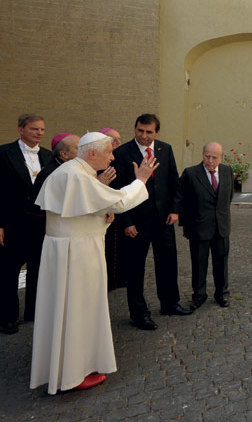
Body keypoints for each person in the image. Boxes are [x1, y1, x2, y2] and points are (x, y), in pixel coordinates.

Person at [31, 132, 157, 394]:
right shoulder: (76, 174)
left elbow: (82, 209)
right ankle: (72, 376)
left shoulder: (72, 171)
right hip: (76, 253)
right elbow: (120, 201)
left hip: (69, 249)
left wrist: (102, 215)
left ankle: (70, 367)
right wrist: (141, 180)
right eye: (109, 152)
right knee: (78, 309)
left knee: (70, 310)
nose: (113, 157)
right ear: (92, 154)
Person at [111, 114, 191, 330]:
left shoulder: (165, 149)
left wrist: (175, 210)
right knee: (135, 269)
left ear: (157, 132)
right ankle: (139, 314)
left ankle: (170, 303)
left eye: (148, 132)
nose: (144, 136)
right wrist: (126, 222)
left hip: (163, 219)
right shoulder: (121, 153)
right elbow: (117, 191)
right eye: (140, 131)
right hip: (136, 222)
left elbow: (174, 182)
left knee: (167, 263)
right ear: (135, 129)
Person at [0, 114, 52, 334]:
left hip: (40, 223)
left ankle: (34, 312)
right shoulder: (3, 153)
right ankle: (7, 318)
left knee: (39, 269)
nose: (39, 133)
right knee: (8, 272)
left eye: (41, 129)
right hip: (12, 222)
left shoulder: (49, 156)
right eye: (34, 129)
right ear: (21, 129)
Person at [180, 142, 235, 309]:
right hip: (198, 227)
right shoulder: (190, 173)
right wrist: (185, 225)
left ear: (222, 157)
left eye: (214, 157)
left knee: (221, 262)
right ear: (202, 154)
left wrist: (222, 216)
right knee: (198, 263)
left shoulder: (227, 171)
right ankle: (199, 295)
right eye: (207, 156)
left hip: (221, 226)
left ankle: (222, 293)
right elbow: (182, 200)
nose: (210, 160)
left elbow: (228, 196)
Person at [100, 128, 124, 289]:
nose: (118, 143)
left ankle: (118, 277)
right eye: (113, 140)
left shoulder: (120, 157)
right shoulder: (100, 161)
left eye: (119, 139)